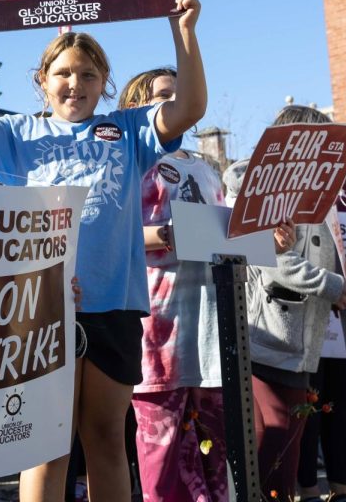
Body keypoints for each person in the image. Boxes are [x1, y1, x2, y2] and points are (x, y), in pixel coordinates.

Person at [0, 0, 206, 502]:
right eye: (62, 73)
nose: (74, 83)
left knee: (105, 439)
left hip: (113, 307)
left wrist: (182, 29)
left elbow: (188, 108)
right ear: (41, 81)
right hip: (38, 310)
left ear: (104, 82)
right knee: (44, 446)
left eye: (87, 74)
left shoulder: (129, 129)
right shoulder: (15, 134)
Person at [126, 67, 230, 502]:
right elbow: (112, 234)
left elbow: (227, 233)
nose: (173, 106)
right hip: (159, 332)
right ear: (136, 108)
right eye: (162, 98)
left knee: (215, 452)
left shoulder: (206, 169)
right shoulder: (131, 161)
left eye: (178, 96)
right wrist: (170, 236)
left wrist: (265, 235)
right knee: (162, 453)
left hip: (210, 328)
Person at [246, 105, 346, 502]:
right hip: (271, 344)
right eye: (320, 141)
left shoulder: (318, 198)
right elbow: (273, 262)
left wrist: (342, 287)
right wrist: (332, 286)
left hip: (303, 347)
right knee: (271, 458)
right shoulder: (267, 191)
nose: (328, 151)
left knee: (286, 456)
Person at [298, 168, 346, 502]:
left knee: (341, 404)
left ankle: (340, 490)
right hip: (307, 308)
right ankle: (309, 491)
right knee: (309, 405)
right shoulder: (290, 185)